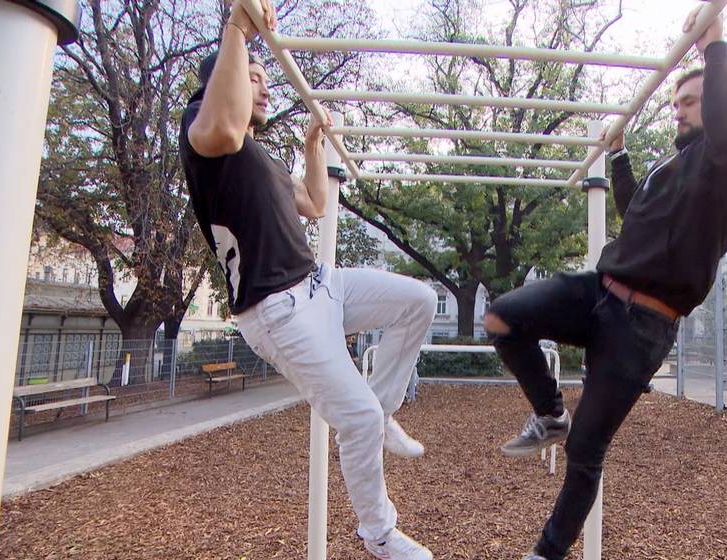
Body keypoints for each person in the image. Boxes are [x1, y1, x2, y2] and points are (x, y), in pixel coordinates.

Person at [178, 1, 437, 558]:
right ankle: (379, 534)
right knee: (356, 418)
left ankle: (386, 408)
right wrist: (238, 29)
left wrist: (313, 146)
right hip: (277, 310)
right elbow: (222, 122)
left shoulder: (258, 154)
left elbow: (316, 203)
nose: (266, 89)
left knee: (419, 299)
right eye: (254, 76)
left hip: (321, 284)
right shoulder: (205, 133)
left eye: (267, 80)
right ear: (222, 81)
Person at [483, 6, 726, 560]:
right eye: (676, 104)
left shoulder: (719, 165)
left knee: (587, 451)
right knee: (501, 316)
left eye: (690, 102)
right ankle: (549, 413)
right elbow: (634, 211)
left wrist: (714, 41)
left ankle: (546, 553)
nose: (678, 112)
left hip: (644, 327)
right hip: (600, 291)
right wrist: (618, 154)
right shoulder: (674, 166)